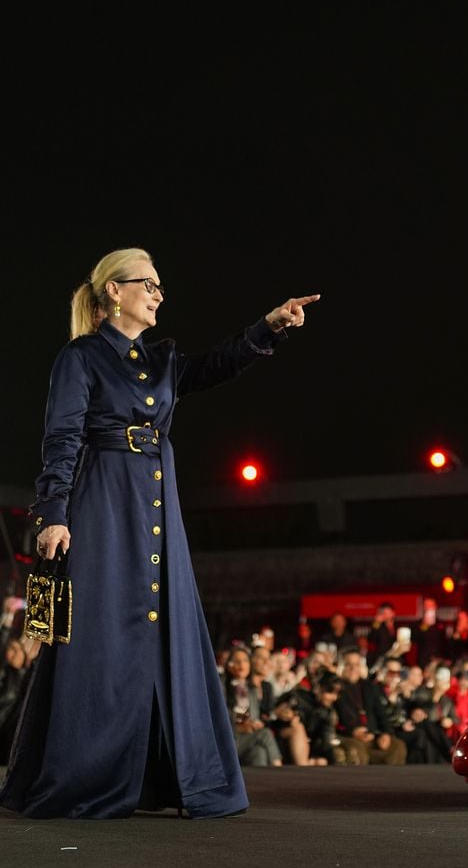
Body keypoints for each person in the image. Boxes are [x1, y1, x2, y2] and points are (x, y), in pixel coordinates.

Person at [0, 247, 318, 819]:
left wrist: (270, 325)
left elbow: (217, 364)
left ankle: (164, 777)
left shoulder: (163, 358)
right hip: (102, 502)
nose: (158, 293)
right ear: (113, 292)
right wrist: (52, 514)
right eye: (147, 283)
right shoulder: (80, 358)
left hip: (155, 498)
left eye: (160, 284)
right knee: (101, 632)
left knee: (160, 628)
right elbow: (62, 438)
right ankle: (84, 774)